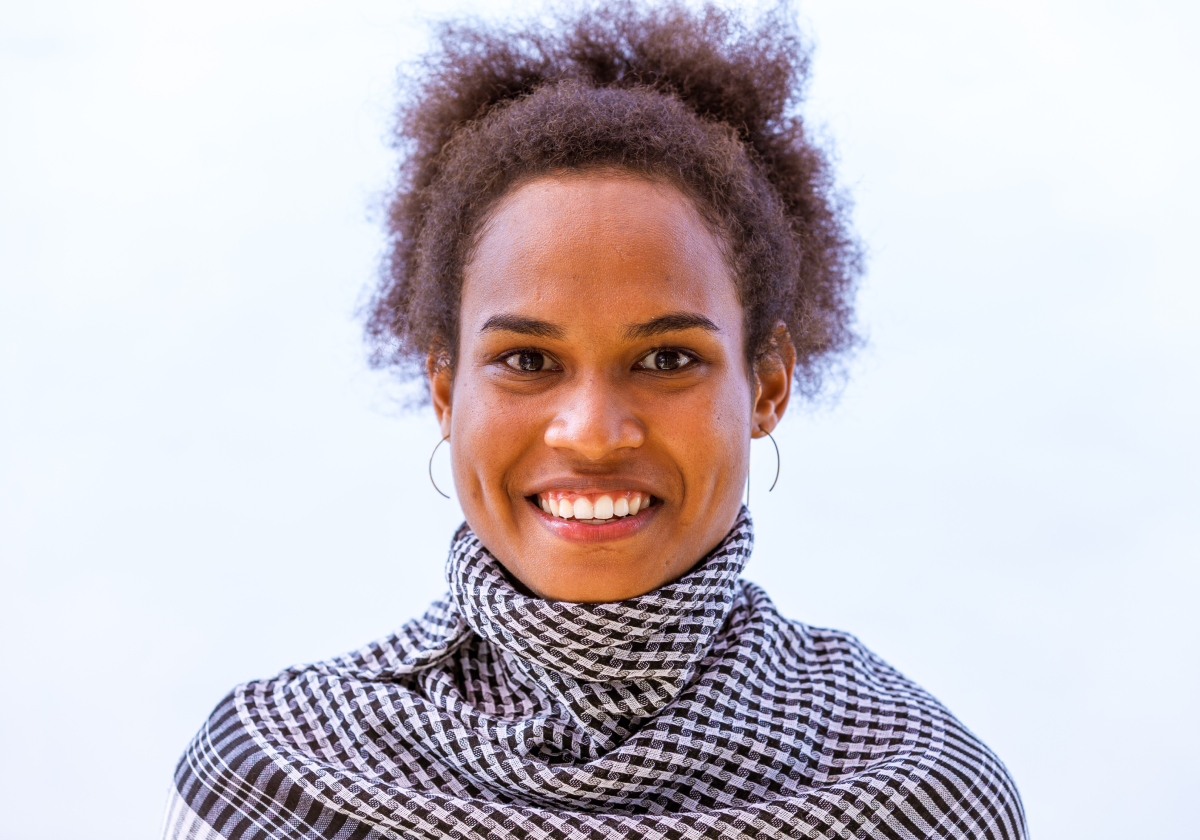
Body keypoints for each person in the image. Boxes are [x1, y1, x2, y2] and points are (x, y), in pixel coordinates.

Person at [163, 4, 1026, 838]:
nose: (592, 432)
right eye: (529, 362)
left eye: (665, 360)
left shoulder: (915, 793)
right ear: (444, 391)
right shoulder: (278, 779)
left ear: (768, 385)